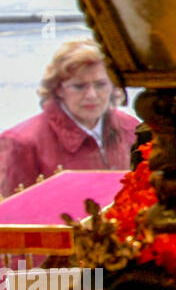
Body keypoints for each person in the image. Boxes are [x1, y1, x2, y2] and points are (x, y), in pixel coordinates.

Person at [0, 40, 139, 196]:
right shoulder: (21, 143)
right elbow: (10, 214)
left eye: (100, 84)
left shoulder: (132, 128)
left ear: (113, 86)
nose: (92, 95)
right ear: (58, 88)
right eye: (79, 86)